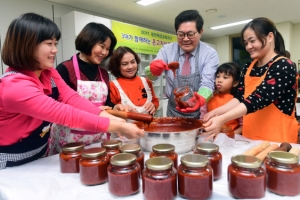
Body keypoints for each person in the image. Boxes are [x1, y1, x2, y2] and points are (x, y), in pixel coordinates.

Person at [0, 13, 143, 169]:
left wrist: (113, 118)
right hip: (11, 160)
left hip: (40, 154)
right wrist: (118, 126)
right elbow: (64, 113)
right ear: (26, 45)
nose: (55, 50)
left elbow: (72, 99)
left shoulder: (49, 72)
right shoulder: (15, 86)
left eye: (56, 43)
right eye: (49, 43)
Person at [203, 17, 298, 143]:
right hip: (249, 137)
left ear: (270, 37)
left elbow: (258, 98)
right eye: (246, 43)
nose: (248, 46)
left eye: (252, 41)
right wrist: (216, 112)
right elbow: (240, 97)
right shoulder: (249, 67)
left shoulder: (284, 65)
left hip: (278, 139)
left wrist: (223, 118)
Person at [49, 22, 118, 155]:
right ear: (88, 41)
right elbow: (57, 106)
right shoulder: (65, 69)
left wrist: (115, 108)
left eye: (108, 49)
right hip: (70, 140)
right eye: (102, 46)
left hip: (98, 137)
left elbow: (107, 102)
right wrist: (93, 111)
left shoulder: (103, 73)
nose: (104, 52)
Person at [145, 9, 219, 119]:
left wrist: (201, 99)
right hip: (172, 112)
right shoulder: (167, 50)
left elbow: (208, 84)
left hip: (197, 114)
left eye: (190, 34)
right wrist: (152, 71)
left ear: (201, 32)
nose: (185, 39)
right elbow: (150, 78)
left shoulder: (209, 53)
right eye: (180, 34)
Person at [108, 46, 159, 115]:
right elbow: (110, 111)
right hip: (125, 125)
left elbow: (155, 101)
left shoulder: (146, 81)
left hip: (149, 125)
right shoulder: (112, 85)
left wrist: (153, 105)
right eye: (125, 64)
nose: (130, 67)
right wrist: (120, 110)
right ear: (117, 67)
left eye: (133, 62)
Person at [200, 62, 242, 135]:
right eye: (218, 76)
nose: (219, 80)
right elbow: (202, 120)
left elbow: (243, 126)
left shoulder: (238, 101)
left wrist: (231, 135)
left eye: (225, 77)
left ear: (235, 83)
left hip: (232, 139)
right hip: (210, 136)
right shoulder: (209, 97)